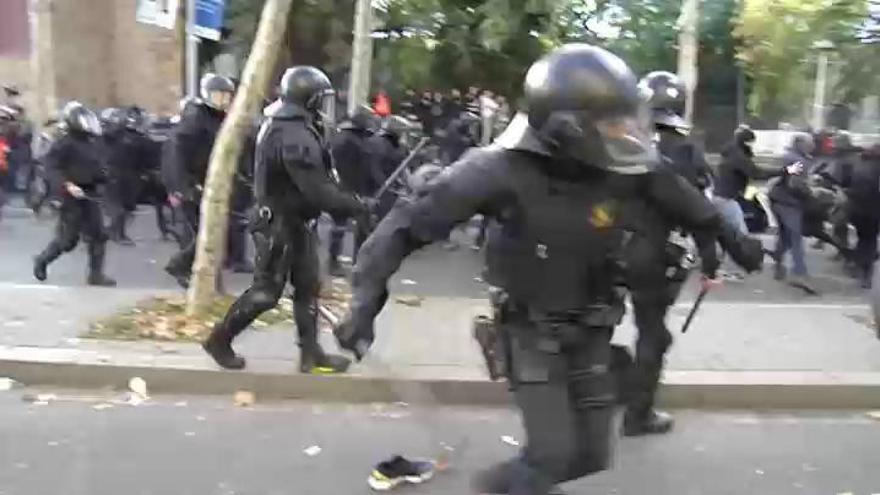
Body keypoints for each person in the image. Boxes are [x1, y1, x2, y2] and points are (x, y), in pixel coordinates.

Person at [334, 44, 762, 495]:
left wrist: (737, 241)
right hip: (530, 332)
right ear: (566, 128)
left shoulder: (623, 160)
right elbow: (401, 228)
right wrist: (365, 302)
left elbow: (690, 204)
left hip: (593, 326)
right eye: (611, 122)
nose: (625, 132)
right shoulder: (495, 169)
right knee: (551, 454)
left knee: (593, 454)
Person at [202, 66, 371, 374]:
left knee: (308, 287)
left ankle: (311, 354)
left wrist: (350, 202)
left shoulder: (294, 125)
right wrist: (356, 206)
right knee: (266, 292)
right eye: (321, 99)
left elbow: (319, 182)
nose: (324, 105)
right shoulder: (291, 133)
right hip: (278, 225)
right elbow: (317, 189)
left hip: (296, 221)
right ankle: (219, 339)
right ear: (308, 98)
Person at [32, 102, 116, 286]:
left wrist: (103, 176)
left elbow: (98, 166)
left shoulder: (92, 143)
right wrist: (67, 184)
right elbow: (51, 167)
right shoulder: (64, 143)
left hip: (89, 193)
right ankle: (42, 260)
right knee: (68, 240)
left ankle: (96, 275)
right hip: (70, 195)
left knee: (98, 235)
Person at [163, 73, 235, 288]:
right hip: (193, 185)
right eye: (218, 95)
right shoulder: (196, 117)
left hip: (210, 184)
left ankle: (211, 285)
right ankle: (180, 267)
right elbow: (177, 152)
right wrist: (183, 186)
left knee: (215, 234)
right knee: (204, 234)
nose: (223, 100)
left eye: (226, 95)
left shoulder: (219, 118)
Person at [328, 106, 379, 275]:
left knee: (341, 226)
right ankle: (355, 262)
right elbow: (358, 168)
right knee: (357, 226)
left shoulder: (346, 137)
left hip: (343, 187)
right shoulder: (350, 141)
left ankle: (336, 260)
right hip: (350, 188)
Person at [769, 133, 818, 294]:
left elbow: (785, 176)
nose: (813, 146)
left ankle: (778, 265)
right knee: (795, 239)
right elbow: (795, 184)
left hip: (777, 200)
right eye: (809, 143)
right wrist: (811, 193)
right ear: (801, 144)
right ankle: (800, 274)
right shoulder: (799, 160)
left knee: (785, 237)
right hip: (789, 203)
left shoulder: (789, 155)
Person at [714, 125, 776, 233]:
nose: (753, 145)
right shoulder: (738, 156)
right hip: (728, 198)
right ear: (746, 141)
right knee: (741, 233)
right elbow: (755, 173)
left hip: (724, 195)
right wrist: (782, 171)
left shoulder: (731, 152)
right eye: (751, 142)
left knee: (729, 232)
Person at [843, 144, 880, 288]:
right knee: (870, 241)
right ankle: (866, 273)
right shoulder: (877, 169)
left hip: (856, 210)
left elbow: (847, 184)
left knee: (863, 239)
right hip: (872, 210)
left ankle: (857, 264)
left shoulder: (858, 166)